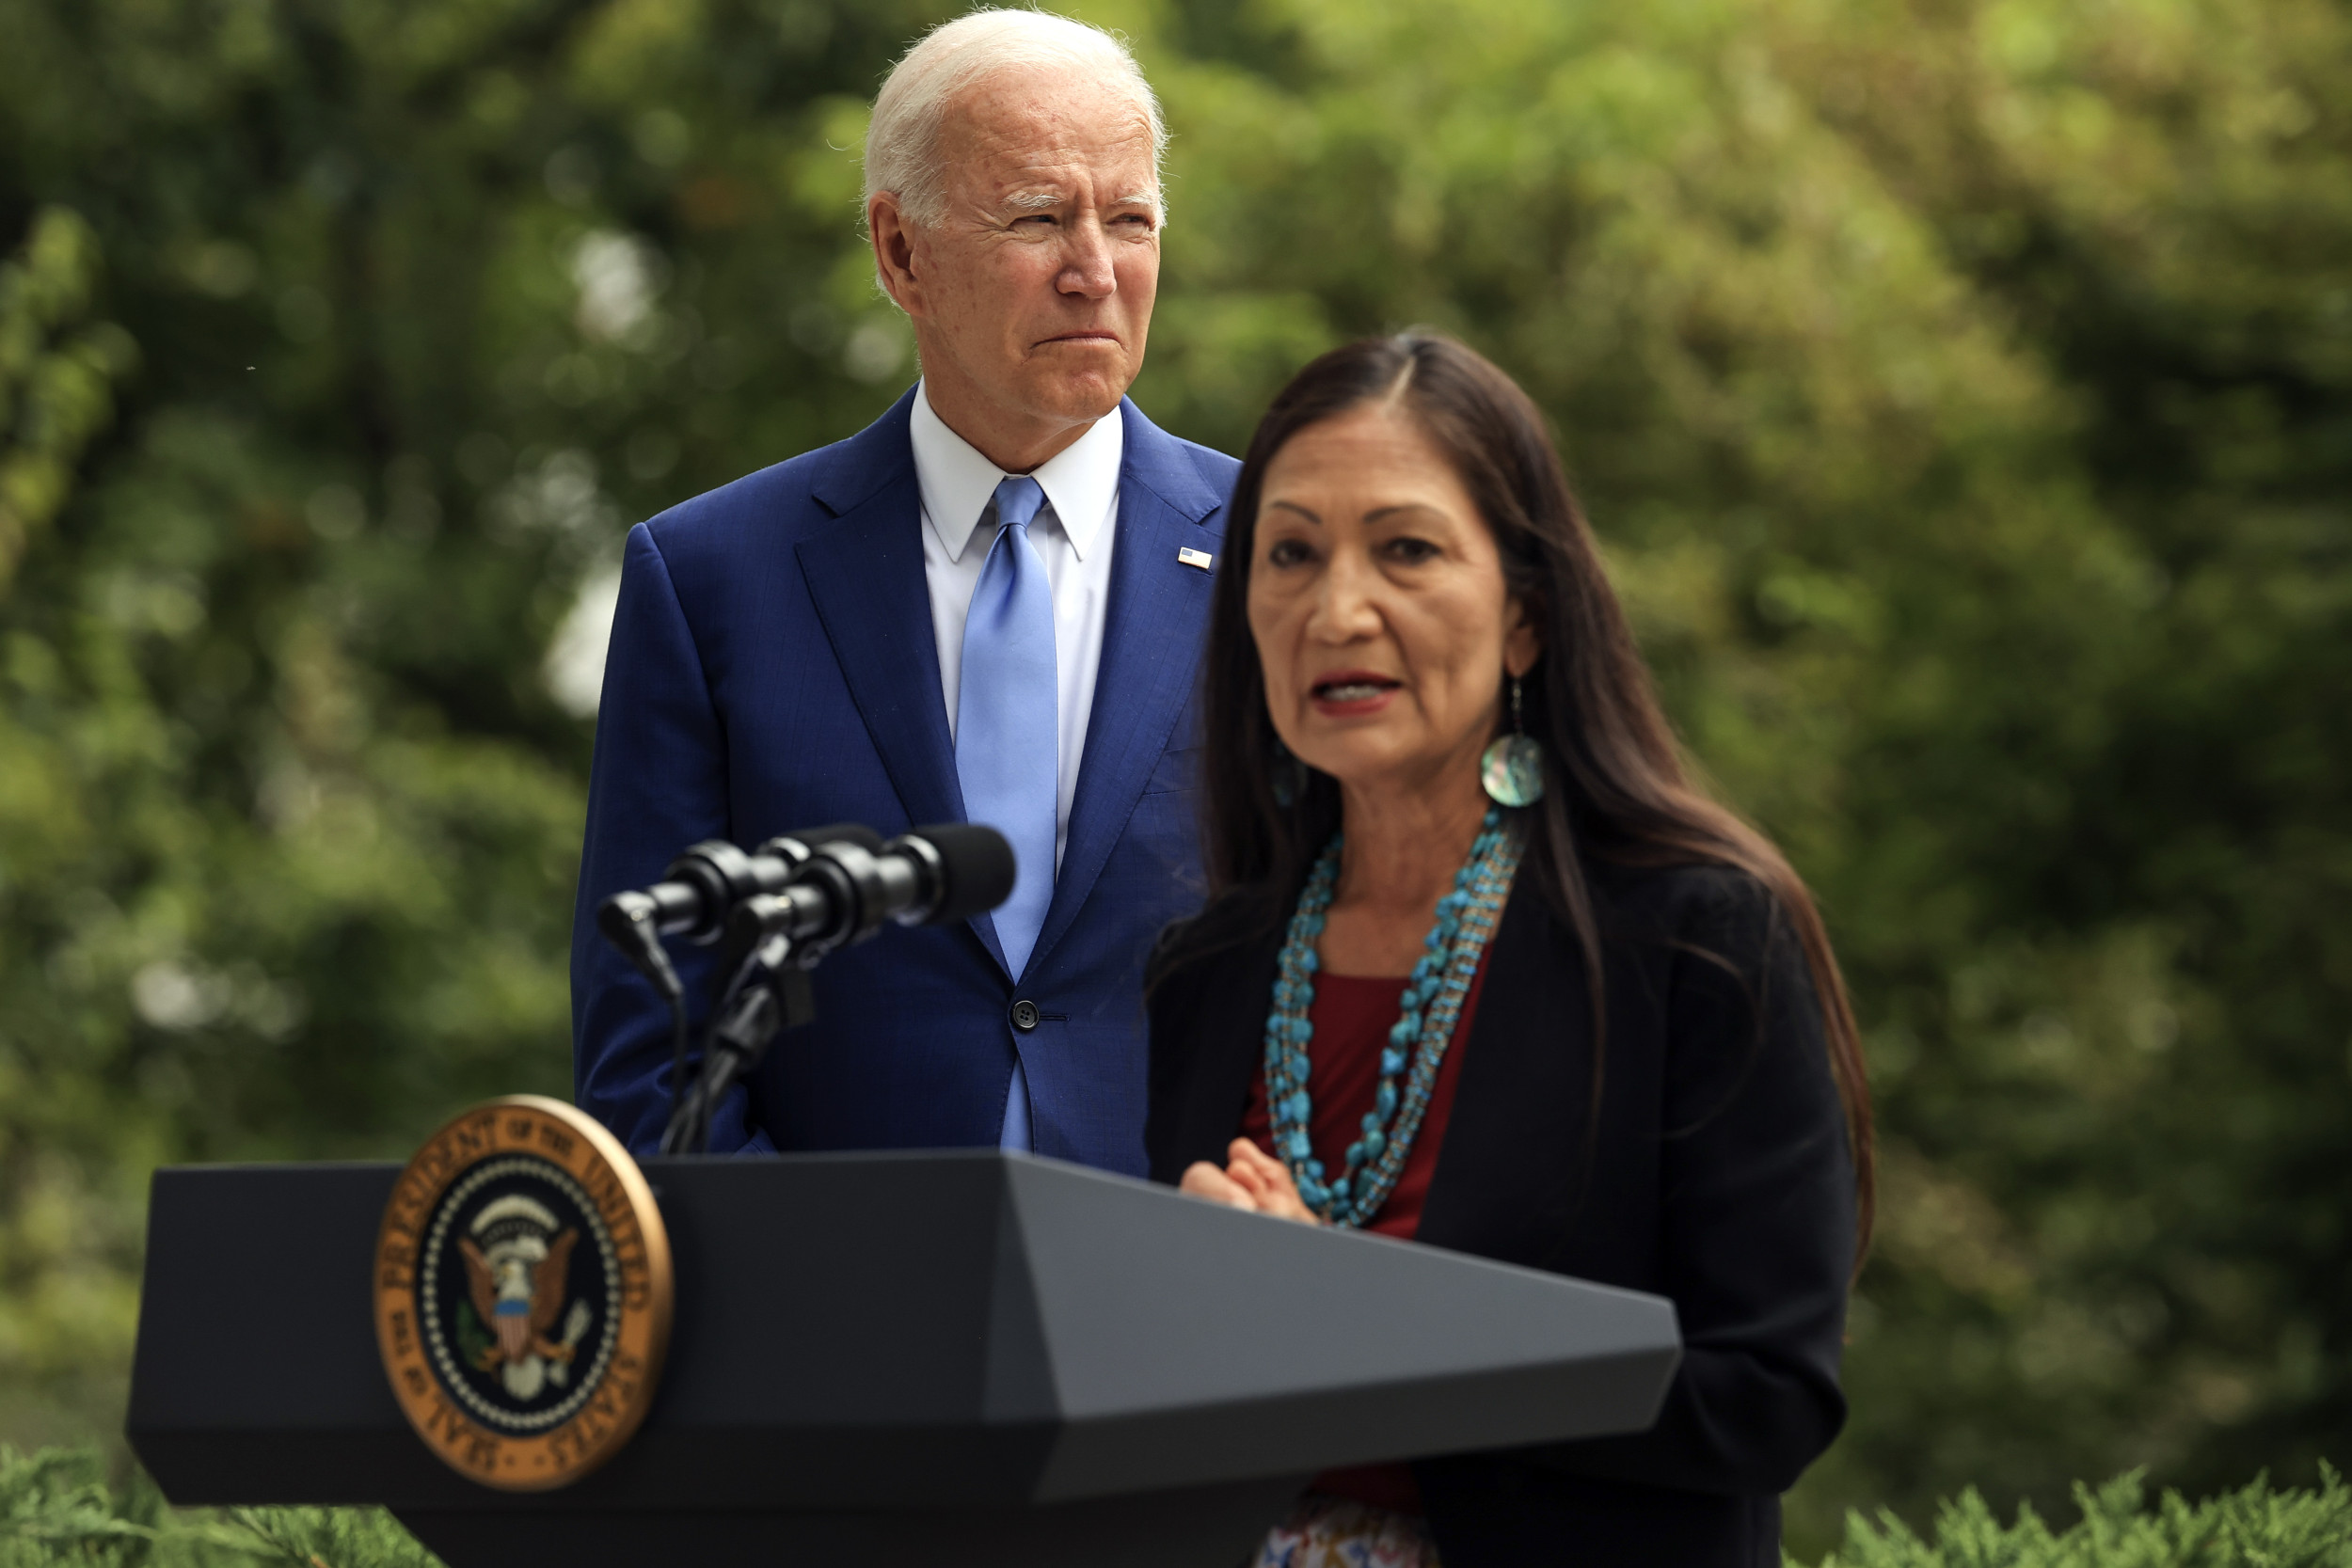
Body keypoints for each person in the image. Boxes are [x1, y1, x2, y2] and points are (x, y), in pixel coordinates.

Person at [1145, 333, 1874, 1567]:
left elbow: (1763, 1396)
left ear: (1525, 616)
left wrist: (1348, 1320)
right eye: (1291, 553)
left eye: (1408, 549)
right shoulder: (1207, 969)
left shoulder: (1696, 933)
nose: (1338, 608)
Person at [572, 10, 1238, 1170]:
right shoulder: (711, 579)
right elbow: (655, 1035)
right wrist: (813, 1304)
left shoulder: (1273, 563)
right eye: (1039, 217)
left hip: (1200, 1302)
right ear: (901, 253)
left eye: (1129, 220)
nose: (1095, 270)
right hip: (834, 1312)